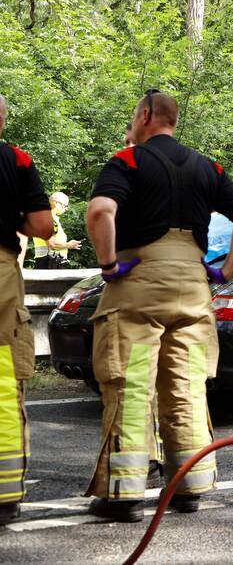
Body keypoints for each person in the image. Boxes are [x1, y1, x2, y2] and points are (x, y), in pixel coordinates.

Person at [84, 90, 233, 522]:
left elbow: (101, 211)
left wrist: (109, 265)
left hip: (139, 285)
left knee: (131, 384)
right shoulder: (208, 167)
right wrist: (227, 271)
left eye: (132, 118)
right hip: (193, 289)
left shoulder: (128, 161)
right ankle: (189, 486)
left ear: (145, 115)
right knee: (187, 387)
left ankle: (124, 495)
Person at [0, 93, 54, 526]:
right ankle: (4, 495)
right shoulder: (16, 160)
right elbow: (41, 226)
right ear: (1, 119)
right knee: (2, 380)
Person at [32, 192, 81, 269]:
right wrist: (69, 245)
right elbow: (52, 243)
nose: (66, 209)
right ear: (56, 203)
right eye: (65, 206)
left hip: (50, 261)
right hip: (50, 262)